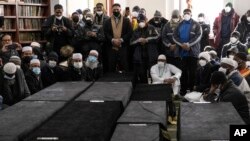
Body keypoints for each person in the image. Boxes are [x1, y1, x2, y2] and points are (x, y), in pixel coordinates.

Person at [173, 8, 202, 95]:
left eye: (188, 13)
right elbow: (174, 36)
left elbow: (198, 36)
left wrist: (189, 45)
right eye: (185, 13)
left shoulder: (196, 25)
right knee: (183, 72)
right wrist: (182, 45)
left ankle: (192, 89)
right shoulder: (179, 25)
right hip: (182, 53)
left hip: (193, 52)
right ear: (182, 14)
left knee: (192, 72)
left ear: (191, 14)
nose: (186, 14)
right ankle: (183, 90)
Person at [150, 54, 182, 124]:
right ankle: (171, 115)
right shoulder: (153, 67)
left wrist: (174, 78)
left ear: (165, 61)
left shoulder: (169, 66)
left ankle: (175, 95)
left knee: (176, 80)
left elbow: (179, 71)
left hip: (168, 86)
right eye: (159, 60)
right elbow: (155, 78)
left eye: (162, 60)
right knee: (168, 98)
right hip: (157, 86)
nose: (160, 62)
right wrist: (165, 80)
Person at [130, 13, 159, 83]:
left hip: (151, 56)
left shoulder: (152, 28)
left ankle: (154, 90)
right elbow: (131, 42)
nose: (141, 23)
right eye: (139, 21)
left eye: (142, 21)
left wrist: (147, 40)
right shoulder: (136, 30)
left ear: (146, 20)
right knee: (142, 75)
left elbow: (157, 37)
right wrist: (138, 40)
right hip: (140, 57)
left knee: (153, 74)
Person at [103, 3, 132, 72]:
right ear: (112, 10)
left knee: (124, 65)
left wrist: (121, 40)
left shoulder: (126, 20)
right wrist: (112, 40)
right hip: (111, 46)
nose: (116, 11)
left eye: (117, 9)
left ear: (120, 9)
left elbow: (129, 32)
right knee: (111, 65)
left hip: (123, 46)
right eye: (114, 9)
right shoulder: (107, 21)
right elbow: (106, 33)